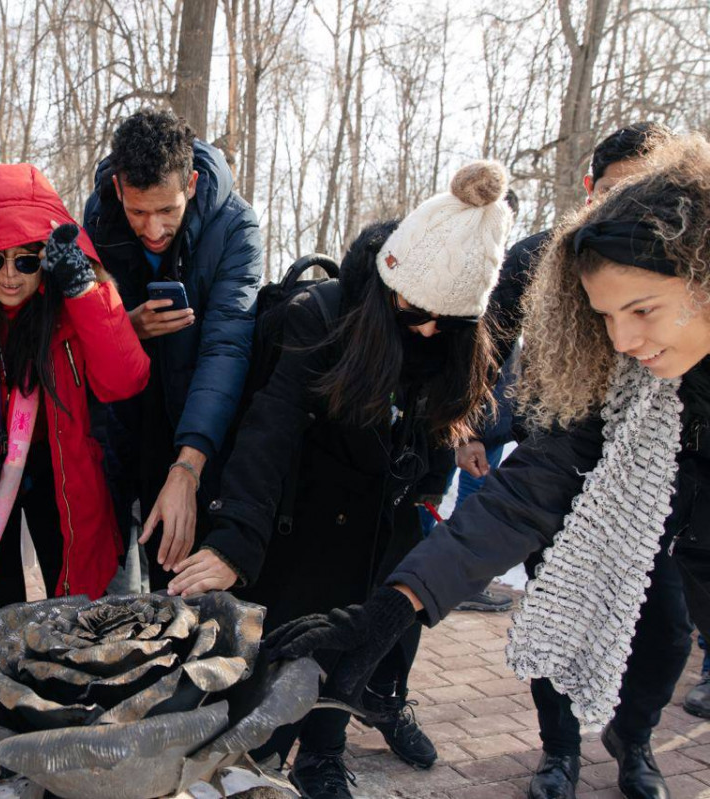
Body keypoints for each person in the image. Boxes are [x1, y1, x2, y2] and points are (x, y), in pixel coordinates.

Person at [268, 134, 710, 799]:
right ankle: (560, 750)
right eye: (606, 316)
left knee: (665, 641)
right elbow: (528, 490)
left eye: (642, 310)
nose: (623, 340)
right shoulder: (629, 380)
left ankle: (634, 736)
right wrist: (397, 604)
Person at [173, 161, 511, 798]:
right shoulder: (324, 315)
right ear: (390, 280)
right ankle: (257, 754)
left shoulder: (454, 334)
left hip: (385, 518)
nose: (431, 330)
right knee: (286, 649)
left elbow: (439, 419)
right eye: (417, 314)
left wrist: (434, 482)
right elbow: (269, 427)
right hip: (304, 514)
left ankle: (324, 753)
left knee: (355, 646)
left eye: (450, 321)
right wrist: (234, 540)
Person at [0, 163, 150, 608]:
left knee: (71, 604)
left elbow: (124, 380)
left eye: (27, 260)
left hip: (61, 470)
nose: (10, 275)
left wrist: (84, 291)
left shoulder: (70, 306)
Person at [83, 110, 263, 591]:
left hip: (199, 421)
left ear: (191, 183)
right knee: (111, 588)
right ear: (118, 187)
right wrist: (126, 329)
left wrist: (189, 466)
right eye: (138, 211)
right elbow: (80, 327)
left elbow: (227, 345)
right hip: (121, 422)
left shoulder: (236, 226)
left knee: (181, 588)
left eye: (167, 210)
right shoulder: (97, 218)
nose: (154, 229)